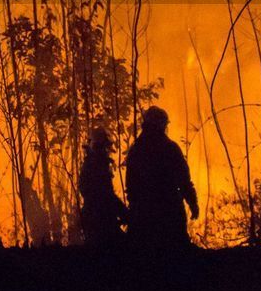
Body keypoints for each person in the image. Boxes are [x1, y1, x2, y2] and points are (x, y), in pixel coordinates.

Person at [125, 106, 199, 248]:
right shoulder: (170, 148)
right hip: (169, 212)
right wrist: (193, 203)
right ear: (162, 125)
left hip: (143, 216)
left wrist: (135, 211)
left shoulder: (136, 150)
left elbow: (131, 186)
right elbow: (184, 181)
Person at [78, 127, 127, 247]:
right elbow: (107, 195)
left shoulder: (90, 163)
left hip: (93, 219)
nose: (107, 150)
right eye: (104, 146)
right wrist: (125, 214)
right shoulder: (97, 165)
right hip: (101, 220)